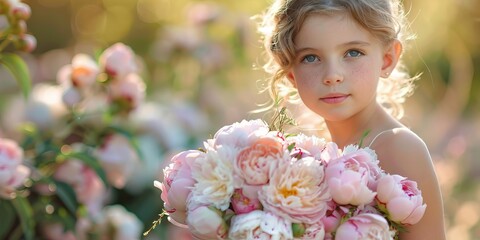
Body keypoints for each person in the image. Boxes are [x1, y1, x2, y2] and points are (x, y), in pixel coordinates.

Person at [257, 0, 446, 239]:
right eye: (310, 57)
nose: (332, 75)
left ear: (387, 59)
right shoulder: (312, 155)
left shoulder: (400, 148)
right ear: (291, 73)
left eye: (353, 52)